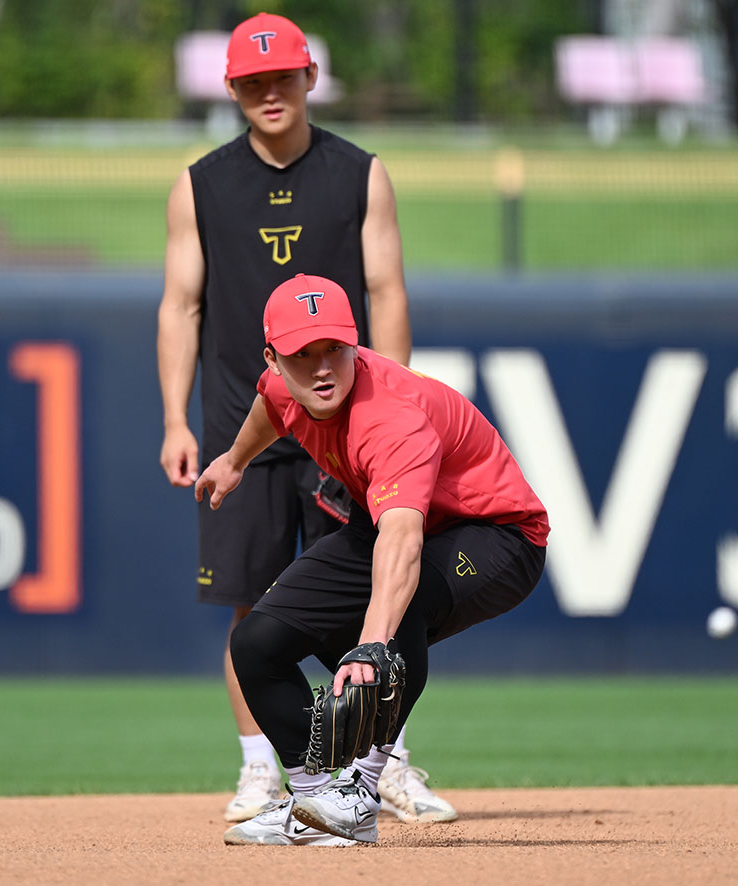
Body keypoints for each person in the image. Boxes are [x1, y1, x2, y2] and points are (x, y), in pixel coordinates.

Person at [157, 11, 454, 825]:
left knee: (366, 602)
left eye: (281, 75)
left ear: (309, 77)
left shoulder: (360, 173)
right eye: (251, 81)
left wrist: (391, 408)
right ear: (232, 89)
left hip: (345, 429)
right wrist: (177, 425)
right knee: (254, 605)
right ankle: (260, 767)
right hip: (241, 423)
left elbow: (387, 293)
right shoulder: (201, 181)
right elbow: (181, 305)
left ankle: (381, 762)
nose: (267, 92)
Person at [195, 273, 549, 847]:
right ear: (274, 357)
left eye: (333, 347)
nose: (322, 367)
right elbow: (270, 404)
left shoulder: (391, 419)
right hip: (391, 521)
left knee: (394, 615)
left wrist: (371, 644)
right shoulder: (285, 386)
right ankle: (313, 803)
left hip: (496, 534)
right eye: (301, 354)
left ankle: (360, 795)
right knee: (256, 643)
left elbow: (404, 542)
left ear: (355, 343)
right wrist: (235, 460)